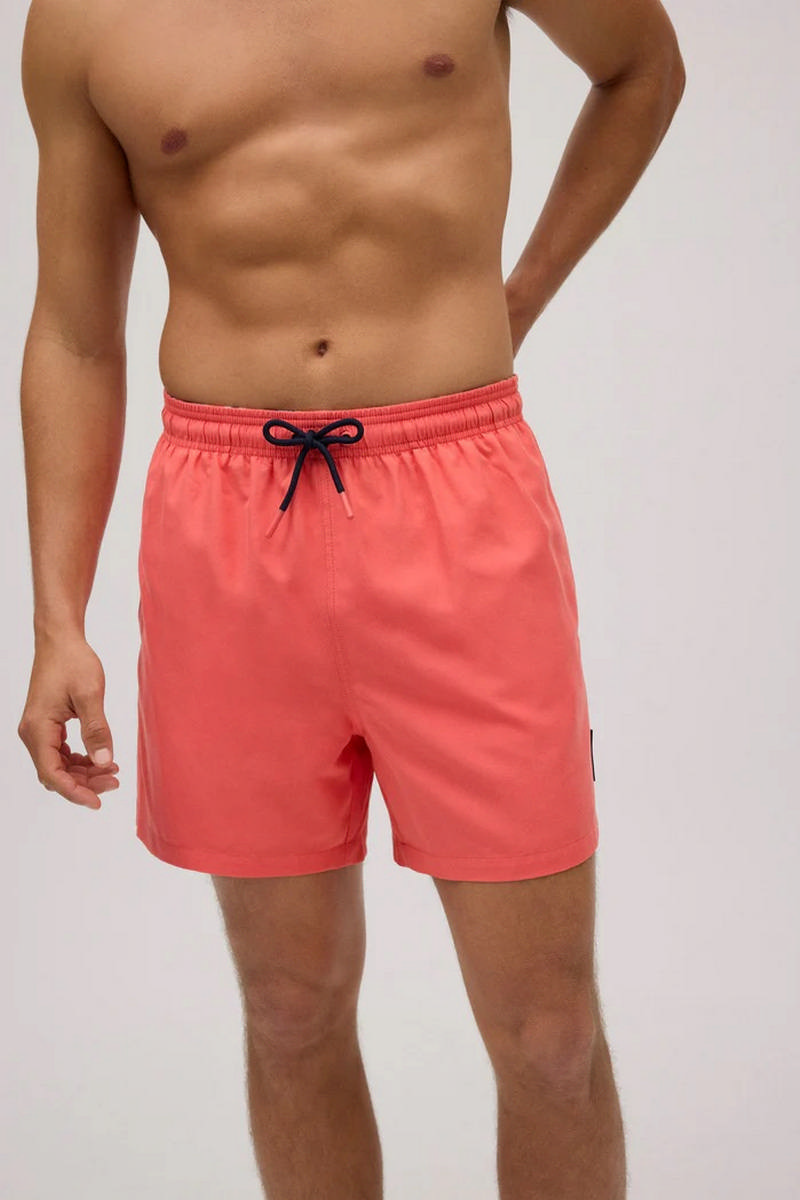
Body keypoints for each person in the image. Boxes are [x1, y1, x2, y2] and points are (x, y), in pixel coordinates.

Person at [16, 0, 684, 1194]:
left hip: (458, 500)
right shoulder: (83, 22)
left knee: (549, 1032)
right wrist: (57, 620)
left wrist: (520, 294)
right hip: (224, 526)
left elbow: (640, 66)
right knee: (288, 1006)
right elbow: (73, 332)